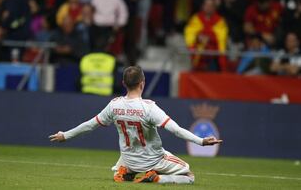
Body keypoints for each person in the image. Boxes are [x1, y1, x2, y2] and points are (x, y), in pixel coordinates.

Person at [49, 66, 222, 184]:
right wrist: (201, 141)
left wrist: (66, 135)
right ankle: (157, 178)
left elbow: (90, 125)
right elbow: (175, 130)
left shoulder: (114, 105)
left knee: (132, 156)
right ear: (142, 83)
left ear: (124, 84)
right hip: (152, 160)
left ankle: (126, 172)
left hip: (129, 159)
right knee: (189, 175)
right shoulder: (149, 108)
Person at [184, 0, 228, 71]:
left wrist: (209, 38)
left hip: (213, 57)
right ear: (202, 6)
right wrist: (198, 37)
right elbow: (190, 34)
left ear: (214, 8)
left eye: (211, 5)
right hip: (197, 54)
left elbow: (221, 38)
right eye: (206, 5)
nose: (208, 7)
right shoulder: (196, 18)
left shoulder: (220, 20)